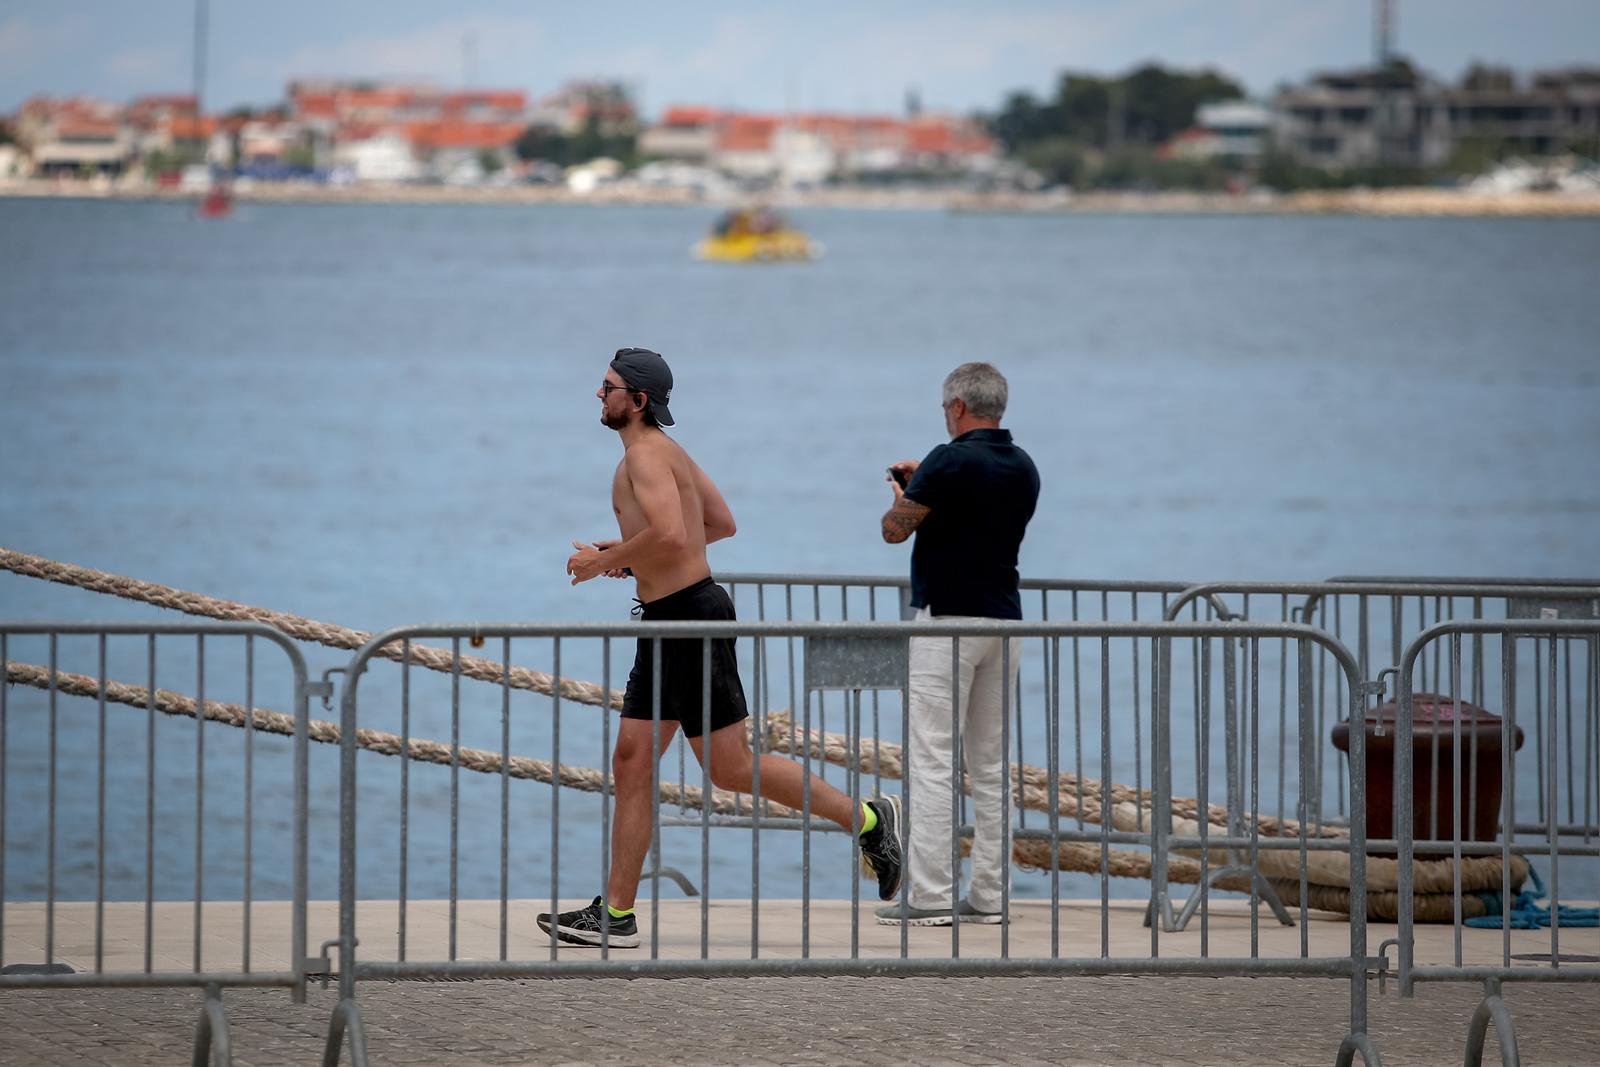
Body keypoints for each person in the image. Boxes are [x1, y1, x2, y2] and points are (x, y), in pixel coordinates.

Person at [542, 347, 903, 947]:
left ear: (637, 400)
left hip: (690, 620)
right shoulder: (668, 453)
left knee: (730, 769)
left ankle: (867, 820)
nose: (597, 396)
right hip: (670, 619)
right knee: (632, 761)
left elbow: (673, 532)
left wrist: (604, 559)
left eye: (607, 388)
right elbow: (719, 524)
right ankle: (619, 916)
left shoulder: (645, 456)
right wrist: (637, 560)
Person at [876, 362, 1040, 926]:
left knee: (933, 760)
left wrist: (909, 488)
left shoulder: (947, 462)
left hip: (947, 622)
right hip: (1005, 623)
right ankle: (990, 898)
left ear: (957, 407)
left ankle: (929, 897)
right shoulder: (1024, 467)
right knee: (992, 766)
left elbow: (895, 529)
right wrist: (929, 483)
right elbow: (977, 511)